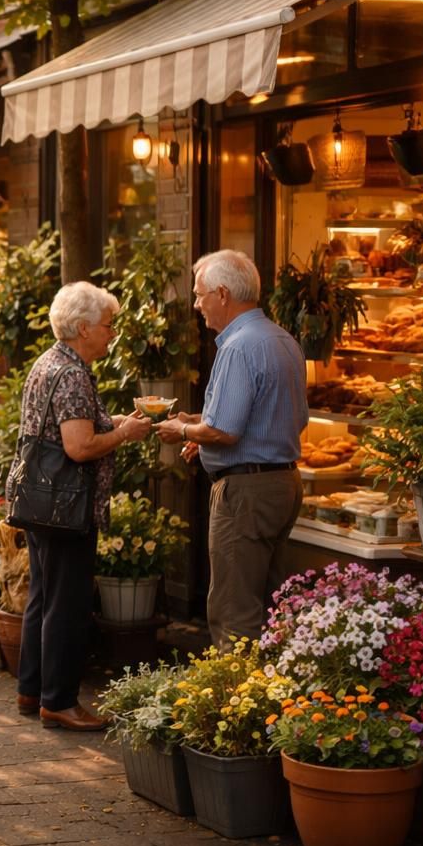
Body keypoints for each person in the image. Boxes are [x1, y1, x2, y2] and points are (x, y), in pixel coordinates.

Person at [11, 282, 152, 731]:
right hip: (66, 507)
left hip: (40, 501)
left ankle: (31, 688)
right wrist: (125, 433)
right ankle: (59, 701)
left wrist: (113, 423)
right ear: (83, 328)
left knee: (43, 597)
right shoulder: (71, 373)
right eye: (107, 325)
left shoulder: (49, 362)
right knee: (67, 604)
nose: (111, 334)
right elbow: (79, 446)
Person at [156, 250, 306, 647]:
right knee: (272, 607)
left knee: (233, 611)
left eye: (199, 294)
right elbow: (275, 418)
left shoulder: (238, 346)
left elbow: (224, 430)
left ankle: (237, 705)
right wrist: (197, 427)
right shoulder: (282, 339)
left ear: (222, 294)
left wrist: (183, 431)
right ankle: (273, 698)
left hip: (246, 494)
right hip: (283, 483)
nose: (196, 304)